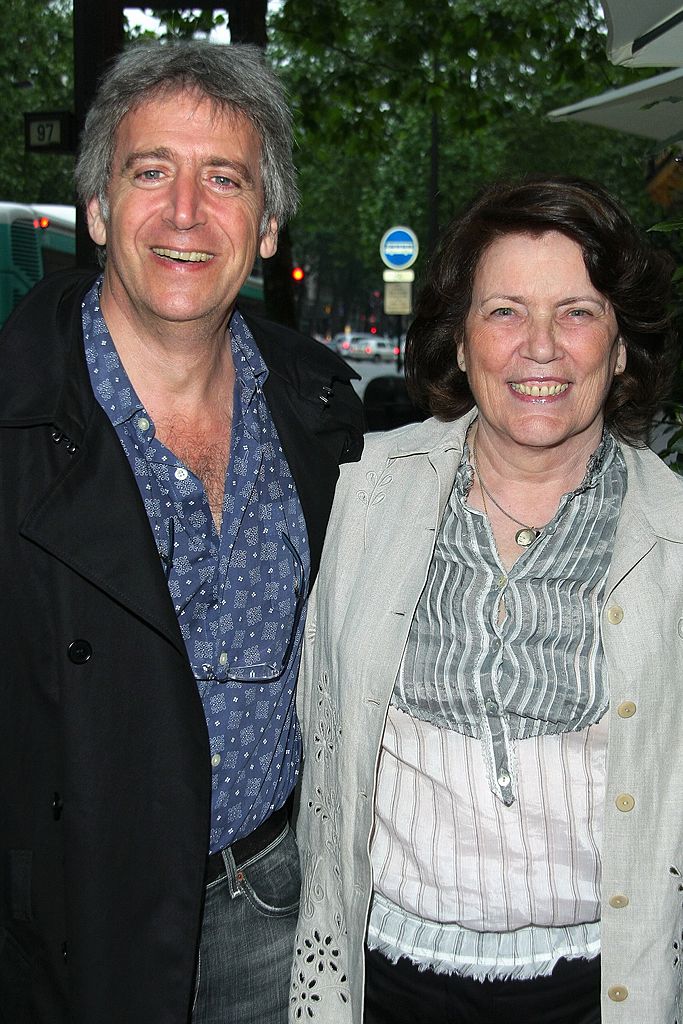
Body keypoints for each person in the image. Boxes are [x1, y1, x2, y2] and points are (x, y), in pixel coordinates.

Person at [0, 40, 363, 1024]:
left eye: (225, 179)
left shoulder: (321, 412)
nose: (186, 214)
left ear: (267, 221)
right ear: (100, 207)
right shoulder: (13, 419)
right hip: (75, 930)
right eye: (150, 170)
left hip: (275, 897)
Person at [289, 177, 683, 1024]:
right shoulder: (361, 498)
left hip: (600, 985)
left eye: (575, 313)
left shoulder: (675, 536)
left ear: (619, 350)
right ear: (459, 344)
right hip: (387, 977)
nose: (538, 348)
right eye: (503, 311)